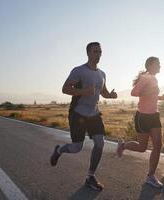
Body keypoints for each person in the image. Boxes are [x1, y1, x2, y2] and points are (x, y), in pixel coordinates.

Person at [50, 42, 117, 191]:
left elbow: (103, 92)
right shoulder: (78, 71)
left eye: (100, 52)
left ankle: (90, 177)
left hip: (94, 113)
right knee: (76, 148)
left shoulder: (102, 74)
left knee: (100, 143)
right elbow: (65, 88)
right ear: (88, 53)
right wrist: (84, 92)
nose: (98, 55)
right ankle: (59, 151)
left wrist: (110, 96)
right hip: (78, 113)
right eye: (95, 52)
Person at [116, 57, 164, 188]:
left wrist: (161, 97)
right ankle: (123, 146)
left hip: (154, 115)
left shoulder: (153, 78)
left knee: (158, 145)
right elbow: (134, 92)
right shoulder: (146, 77)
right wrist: (153, 91)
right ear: (150, 65)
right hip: (143, 117)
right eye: (158, 64)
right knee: (142, 147)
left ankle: (151, 176)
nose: (160, 66)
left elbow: (150, 95)